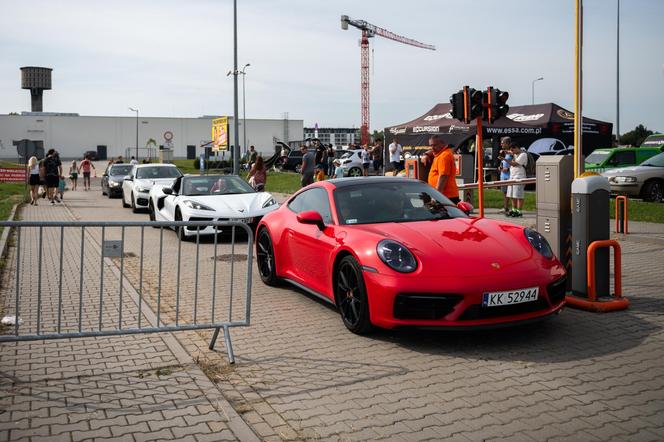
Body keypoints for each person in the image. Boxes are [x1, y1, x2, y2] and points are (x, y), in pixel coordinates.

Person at [425, 135, 459, 204]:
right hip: (445, 195)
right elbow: (432, 151)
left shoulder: (444, 156)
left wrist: (436, 196)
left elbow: (443, 176)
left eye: (434, 145)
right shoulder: (441, 154)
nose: (432, 148)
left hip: (445, 196)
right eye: (431, 145)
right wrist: (426, 154)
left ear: (442, 144)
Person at [506, 142, 527, 217]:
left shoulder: (523, 155)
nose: (512, 152)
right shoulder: (515, 153)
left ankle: (519, 211)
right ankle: (514, 210)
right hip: (512, 177)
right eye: (511, 150)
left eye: (513, 150)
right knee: (512, 194)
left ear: (517, 148)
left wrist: (504, 159)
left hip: (519, 177)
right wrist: (504, 151)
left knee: (519, 195)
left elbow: (515, 164)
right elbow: (509, 152)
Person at [498, 137, 513, 215]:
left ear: (507, 144)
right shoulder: (504, 153)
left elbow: (515, 163)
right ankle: (506, 207)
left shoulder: (512, 152)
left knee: (509, 193)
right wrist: (500, 167)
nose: (501, 144)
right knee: (505, 193)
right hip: (503, 176)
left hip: (510, 176)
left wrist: (507, 169)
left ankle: (508, 208)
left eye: (503, 143)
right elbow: (503, 162)